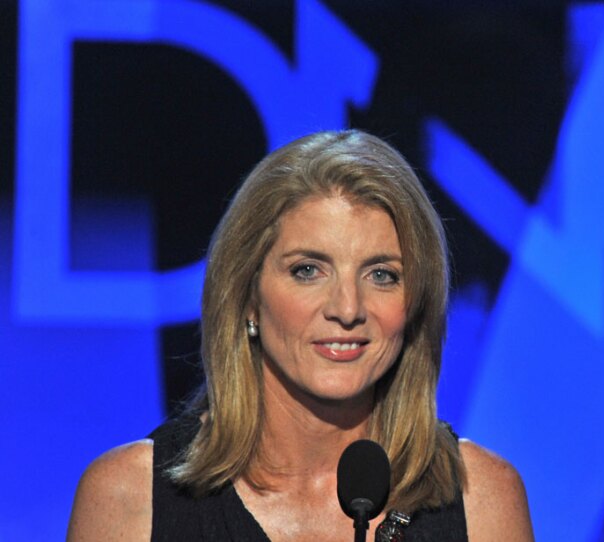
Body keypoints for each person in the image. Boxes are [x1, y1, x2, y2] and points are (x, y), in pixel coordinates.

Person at [67, 130, 534, 541]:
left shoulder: (482, 498)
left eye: (382, 275)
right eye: (308, 270)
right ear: (247, 297)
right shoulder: (130, 499)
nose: (347, 309)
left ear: (415, 306)